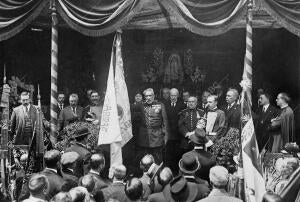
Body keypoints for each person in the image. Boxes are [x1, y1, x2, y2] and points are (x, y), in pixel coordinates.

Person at [135, 88, 169, 164]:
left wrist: (166, 136)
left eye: (150, 95)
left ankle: (158, 173)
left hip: (156, 135)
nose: (148, 98)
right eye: (146, 96)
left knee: (157, 157)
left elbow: (165, 121)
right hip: (144, 136)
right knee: (144, 157)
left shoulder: (160, 105)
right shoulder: (141, 105)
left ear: (153, 96)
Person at [164, 88, 186, 175]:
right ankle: (169, 172)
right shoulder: (165, 104)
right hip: (168, 134)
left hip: (178, 135)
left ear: (178, 95)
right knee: (168, 154)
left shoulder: (182, 105)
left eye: (175, 95)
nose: (173, 97)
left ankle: (177, 172)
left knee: (177, 153)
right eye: (171, 95)